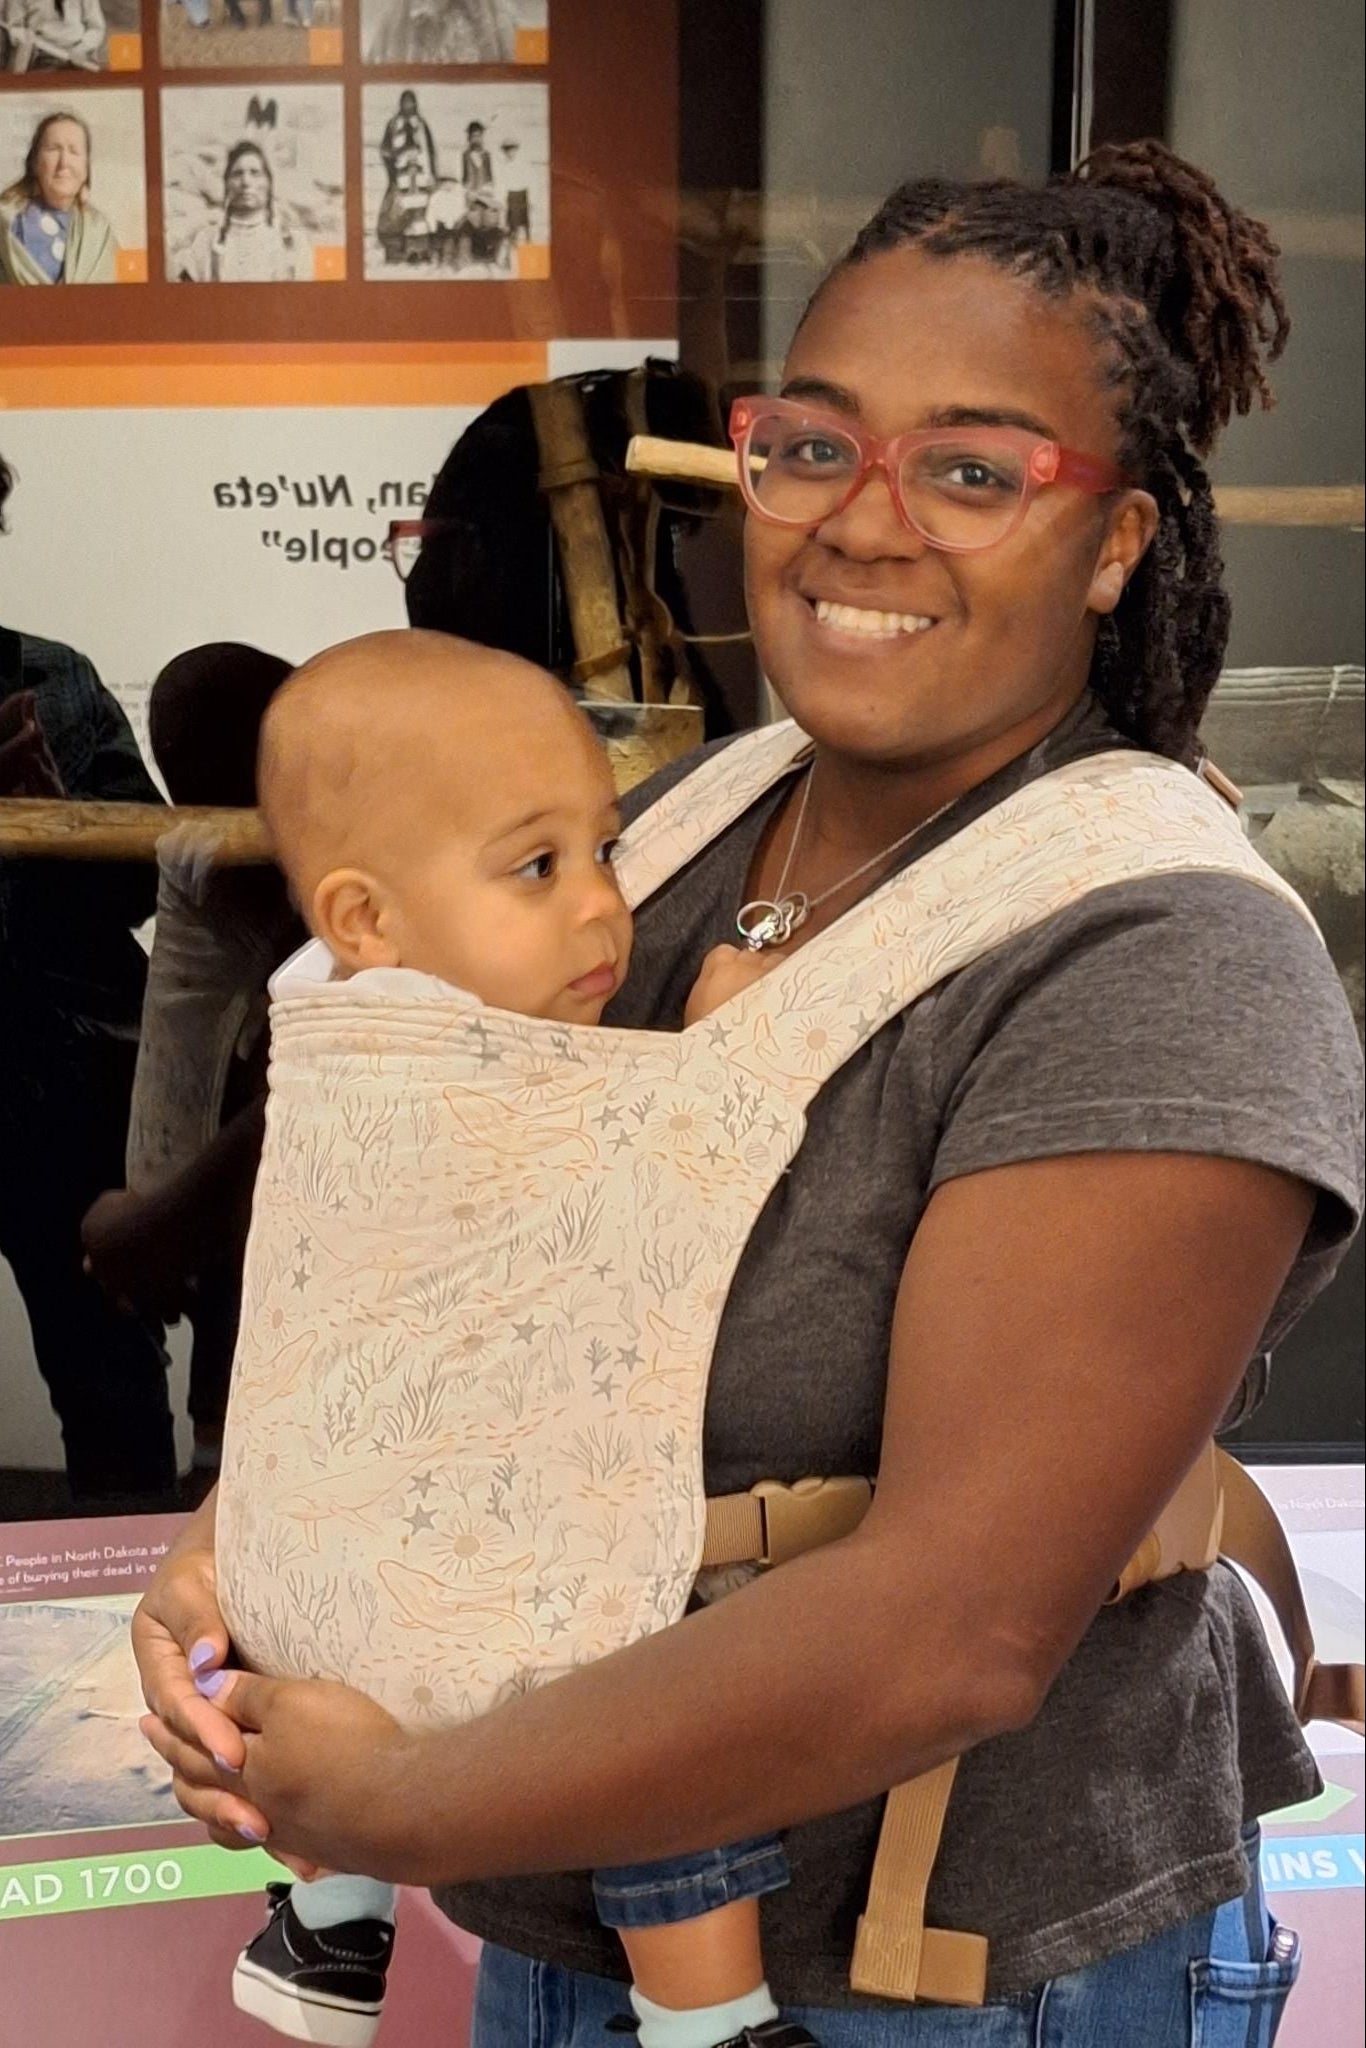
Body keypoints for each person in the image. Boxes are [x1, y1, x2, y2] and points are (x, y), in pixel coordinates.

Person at [135, 140, 1363, 2042]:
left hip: (945, 1978)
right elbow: (441, 1265)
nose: (865, 524)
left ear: (1115, 540)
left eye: (974, 470)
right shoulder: (650, 842)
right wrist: (254, 1561)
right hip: (557, 1919)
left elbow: (959, 1623)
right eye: (816, 444)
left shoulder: (1160, 956)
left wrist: (385, 1800)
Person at [209, 630, 798, 2048]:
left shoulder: (330, 1018)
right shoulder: (417, 1068)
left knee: (358, 1665)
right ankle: (707, 2018)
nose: (605, 907)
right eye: (536, 869)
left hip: (314, 1566)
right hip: (447, 1549)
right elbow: (607, 1230)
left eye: (604, 848)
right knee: (642, 1711)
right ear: (364, 920)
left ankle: (327, 1928)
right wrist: (711, 1053)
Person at [0, 452, 176, 1507]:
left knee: (107, 1373)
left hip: (56, 1084)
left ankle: (135, 1631)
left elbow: (148, 877)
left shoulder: (51, 678)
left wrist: (51, 811)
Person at [82, 646, 300, 1477]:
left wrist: (150, 1222)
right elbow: (182, 1067)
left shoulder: (346, 883)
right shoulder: (211, 870)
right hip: (240, 1328)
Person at [0, 108, 116, 284]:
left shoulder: (99, 230)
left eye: (74, 151)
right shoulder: (6, 223)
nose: (64, 163)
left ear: (86, 167)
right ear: (35, 162)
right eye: (53, 149)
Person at [176, 139, 305, 285]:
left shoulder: (293, 244)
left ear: (269, 183)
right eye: (237, 173)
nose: (246, 181)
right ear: (227, 183)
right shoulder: (206, 241)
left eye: (255, 173)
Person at [377, 89, 436, 265]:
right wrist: (392, 174)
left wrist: (432, 174)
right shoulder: (393, 124)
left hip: (420, 177)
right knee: (402, 211)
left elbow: (430, 152)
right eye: (405, 102)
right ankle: (407, 252)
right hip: (401, 176)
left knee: (420, 212)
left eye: (411, 102)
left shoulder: (422, 124)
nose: (408, 106)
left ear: (415, 104)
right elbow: (385, 151)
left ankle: (422, 250)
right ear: (400, 104)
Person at [0, 0, 106, 72]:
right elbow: (15, 28)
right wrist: (20, 34)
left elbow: (96, 28)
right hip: (42, 58)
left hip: (82, 58)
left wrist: (81, 49)